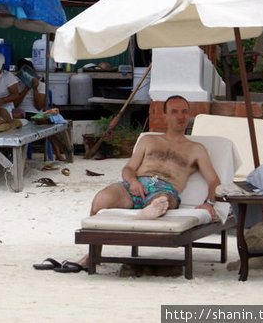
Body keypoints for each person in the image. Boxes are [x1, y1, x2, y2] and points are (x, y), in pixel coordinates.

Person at [75, 95, 220, 268]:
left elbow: (214, 180)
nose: (180, 116)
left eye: (184, 111)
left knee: (162, 200)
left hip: (165, 188)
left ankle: (150, 210)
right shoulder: (148, 140)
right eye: (174, 112)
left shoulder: (196, 149)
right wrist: (133, 181)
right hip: (136, 185)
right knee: (101, 199)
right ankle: (94, 254)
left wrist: (209, 202)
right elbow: (128, 168)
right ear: (165, 115)